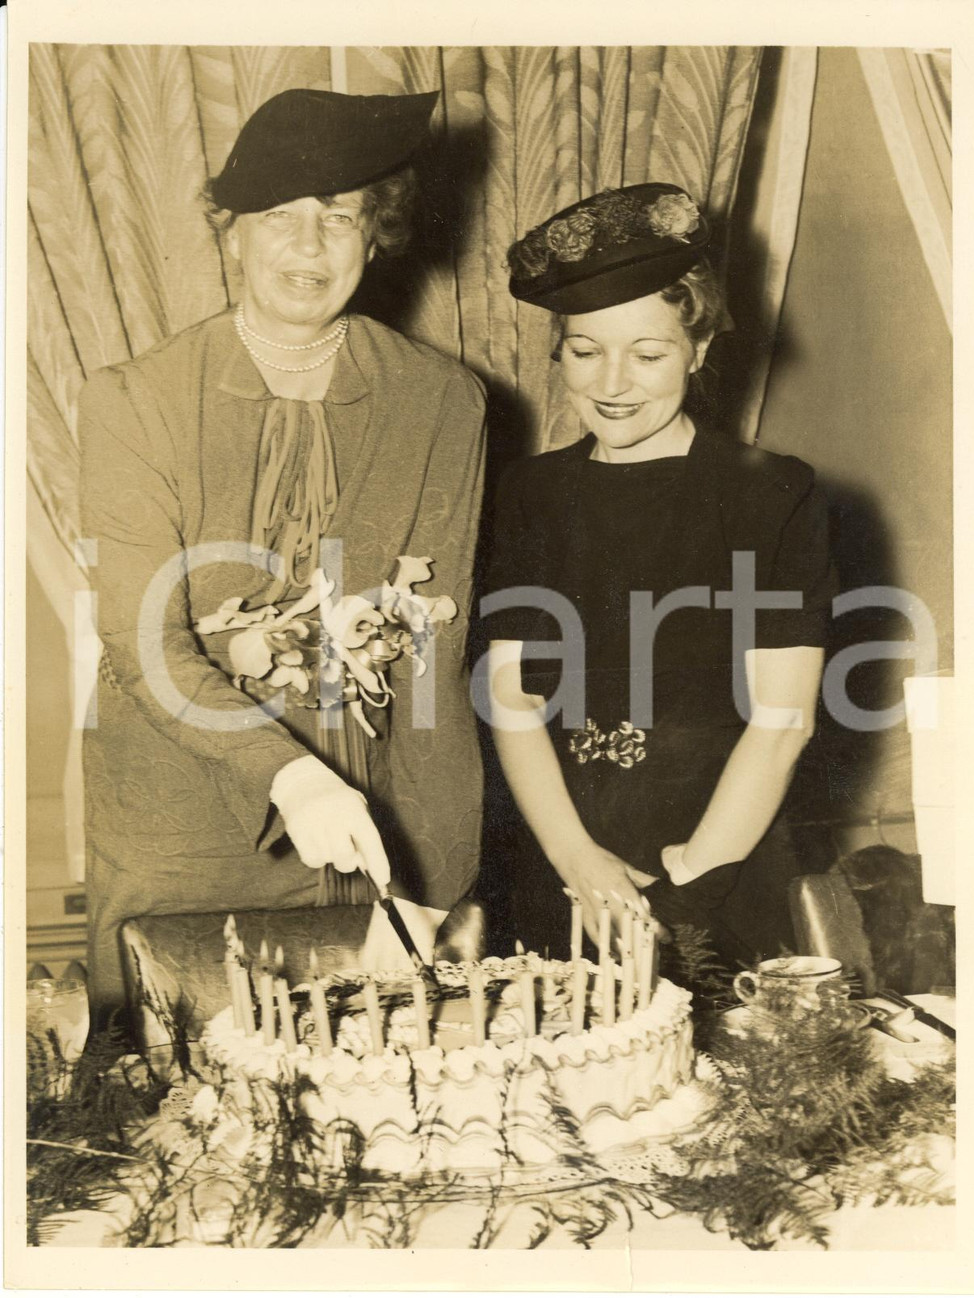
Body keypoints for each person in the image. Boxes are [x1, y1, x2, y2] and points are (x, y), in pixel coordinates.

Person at [79, 89, 486, 1021]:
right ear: (232, 235)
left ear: (375, 234)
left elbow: (430, 654)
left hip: (374, 828)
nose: (310, 245)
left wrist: (434, 863)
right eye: (279, 217)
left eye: (339, 217)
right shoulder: (134, 400)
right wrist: (292, 775)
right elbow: (145, 642)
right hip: (182, 831)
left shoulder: (443, 402)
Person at [483, 183, 834, 967]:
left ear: (699, 350)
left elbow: (783, 725)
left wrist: (682, 894)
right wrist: (578, 862)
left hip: (717, 871)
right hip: (561, 867)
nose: (612, 383)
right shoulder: (530, 493)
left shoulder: (767, 491)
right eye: (584, 351)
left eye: (648, 354)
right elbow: (513, 698)